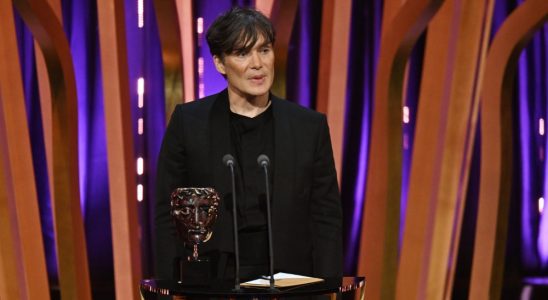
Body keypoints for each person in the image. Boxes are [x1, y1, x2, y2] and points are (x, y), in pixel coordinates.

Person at [154, 7, 342, 281]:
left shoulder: (309, 126)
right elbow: (167, 214)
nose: (258, 64)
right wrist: (168, 288)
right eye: (243, 53)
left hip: (290, 279)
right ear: (220, 63)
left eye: (264, 50)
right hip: (213, 279)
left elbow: (326, 217)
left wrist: (329, 288)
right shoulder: (189, 122)